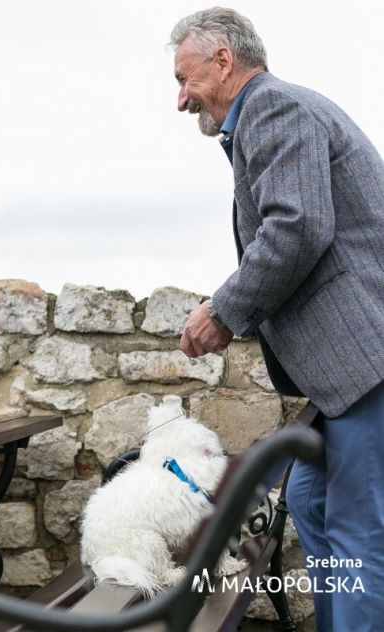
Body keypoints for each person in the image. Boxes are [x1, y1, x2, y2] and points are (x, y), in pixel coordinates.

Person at [170, 7, 384, 631]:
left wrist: (224, 311)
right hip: (350, 368)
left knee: (355, 527)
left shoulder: (273, 108)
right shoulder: (269, 116)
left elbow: (297, 227)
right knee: (314, 504)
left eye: (185, 80)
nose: (182, 100)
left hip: (364, 357)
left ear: (223, 61)